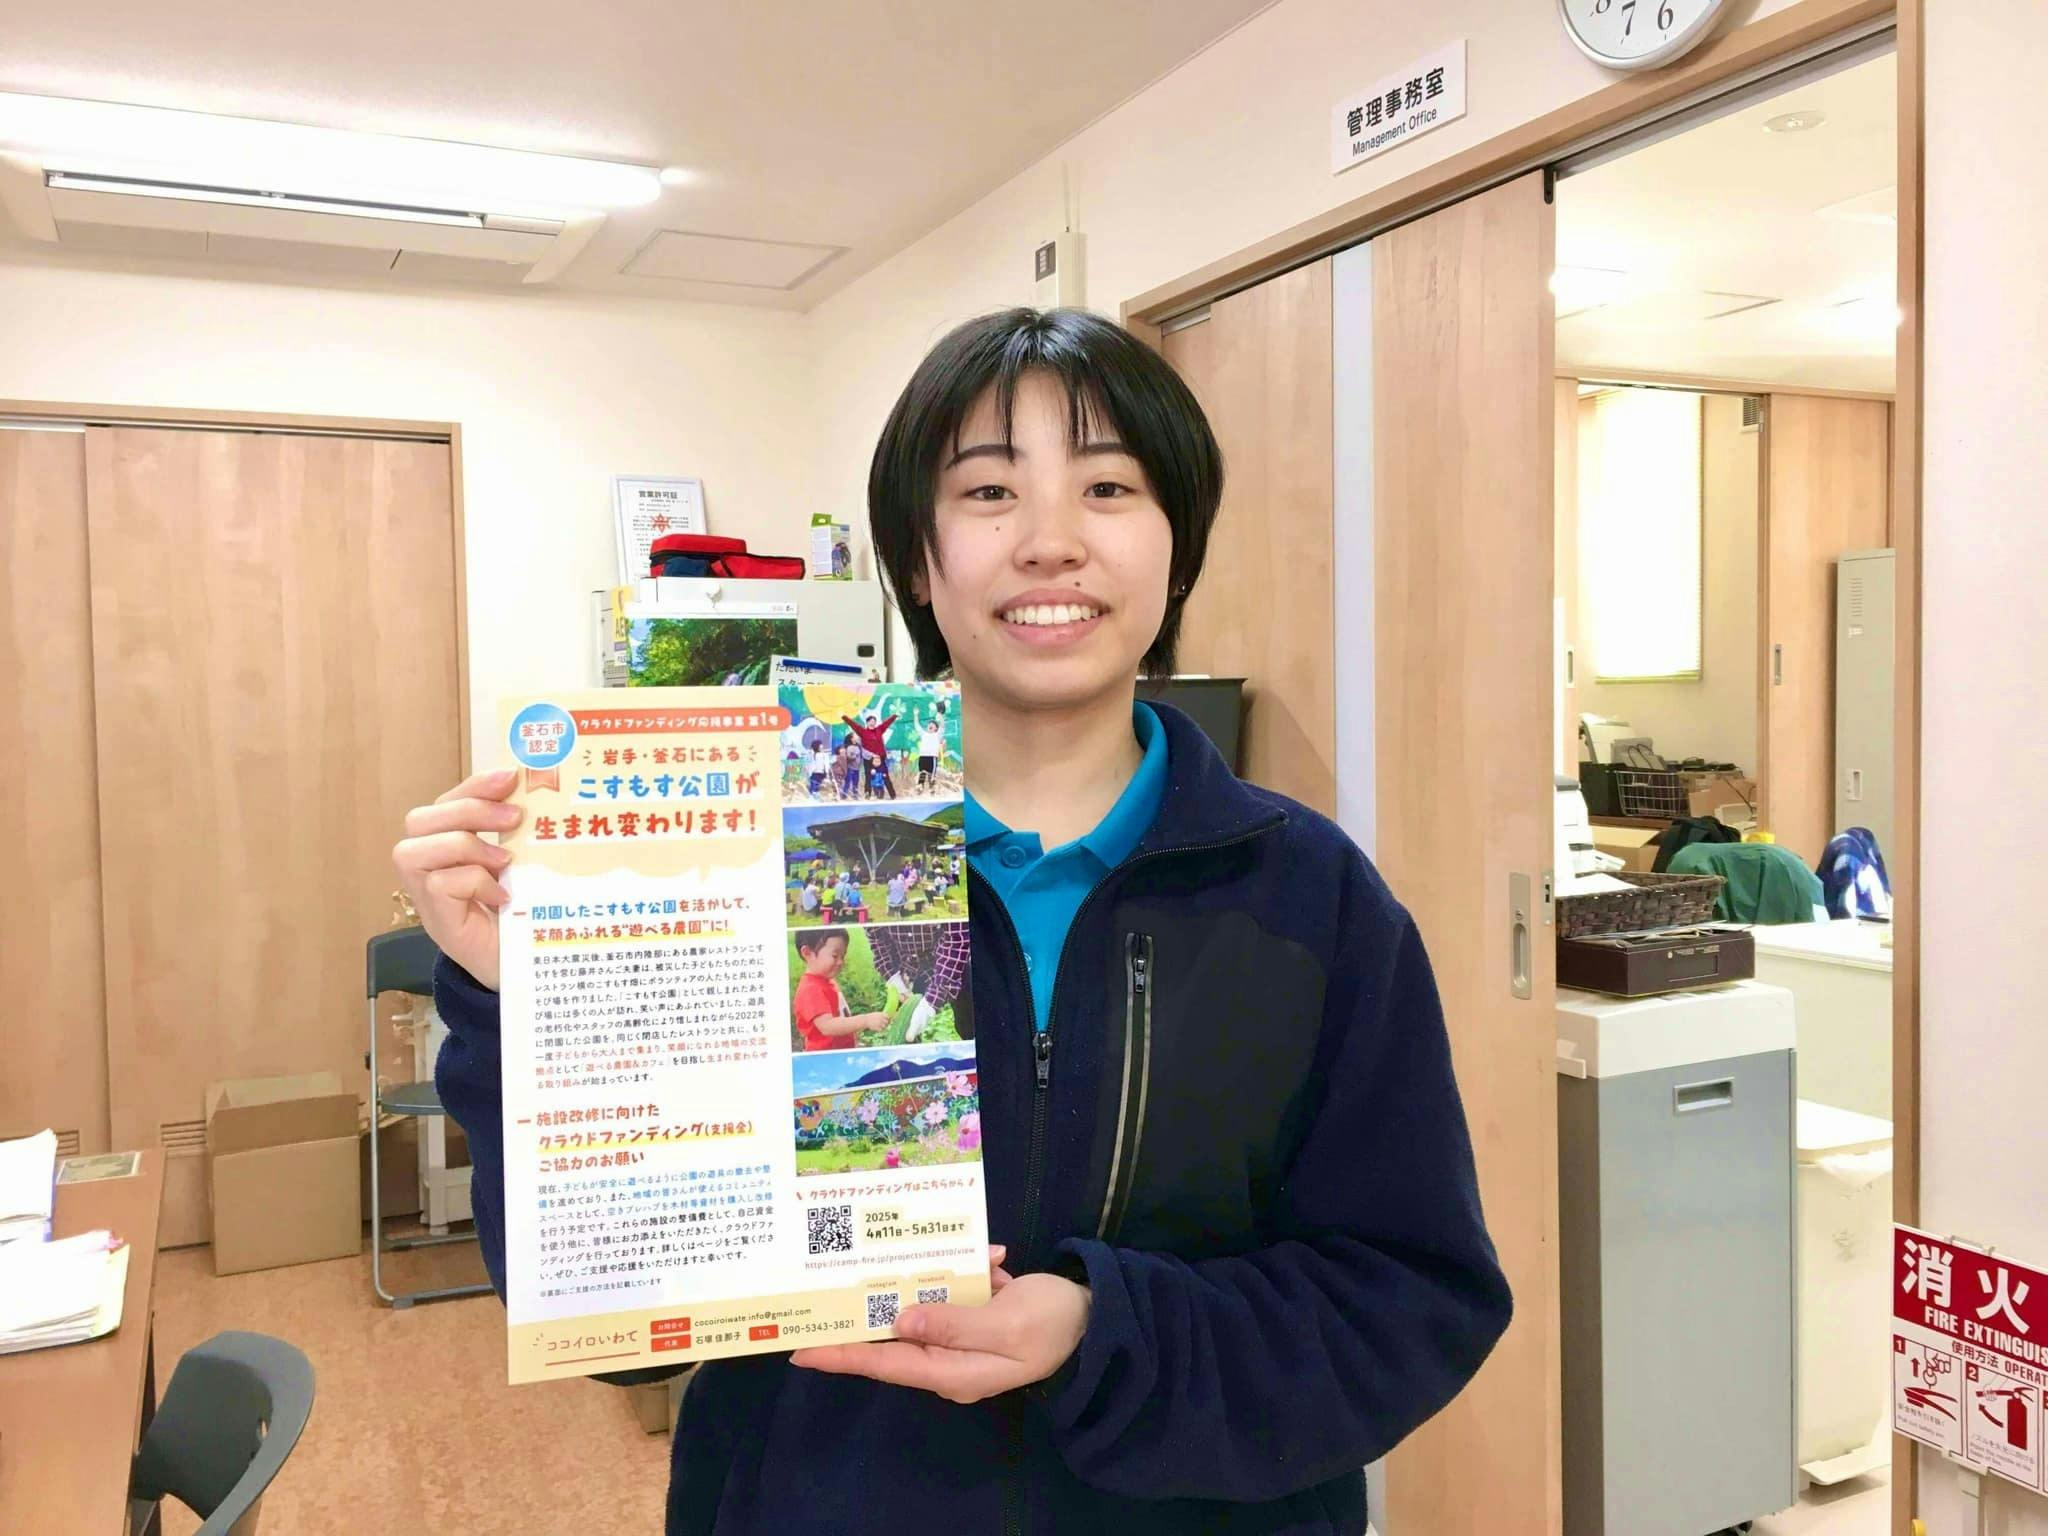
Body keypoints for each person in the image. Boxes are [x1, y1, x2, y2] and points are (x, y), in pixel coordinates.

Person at [396, 307, 1508, 1535]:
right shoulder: (760, 870)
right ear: (916, 563)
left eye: (1107, 487)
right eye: (987, 492)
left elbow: (1408, 1300)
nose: (1049, 542)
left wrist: (1104, 1329)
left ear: (1177, 549)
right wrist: (525, 1003)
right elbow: (616, 1327)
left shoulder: (1309, 899)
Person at [789, 928, 889, 1051]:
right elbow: (827, 1026)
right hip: (826, 1056)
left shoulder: (828, 981)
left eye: (843, 956)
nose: (840, 962)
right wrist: (865, 1020)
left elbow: (842, 1016)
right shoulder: (810, 989)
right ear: (807, 953)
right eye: (835, 955)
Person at [917, 714, 944, 793]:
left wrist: (940, 716)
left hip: (932, 758)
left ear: (936, 728)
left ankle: (932, 792)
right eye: (929, 724)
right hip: (922, 757)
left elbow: (942, 725)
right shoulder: (923, 734)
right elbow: (917, 726)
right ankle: (919, 791)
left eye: (932, 724)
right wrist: (916, 716)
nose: (930, 725)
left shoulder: (937, 735)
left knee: (931, 776)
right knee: (922, 775)